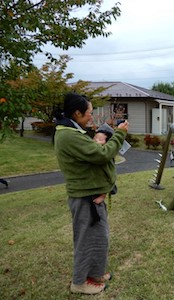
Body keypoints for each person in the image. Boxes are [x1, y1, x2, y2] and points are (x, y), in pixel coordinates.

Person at [54, 92, 129, 295]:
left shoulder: (74, 132)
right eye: (88, 112)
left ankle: (95, 273)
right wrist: (120, 134)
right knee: (86, 239)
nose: (91, 116)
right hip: (84, 197)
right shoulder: (68, 135)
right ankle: (79, 282)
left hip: (92, 195)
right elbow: (102, 154)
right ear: (77, 113)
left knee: (99, 237)